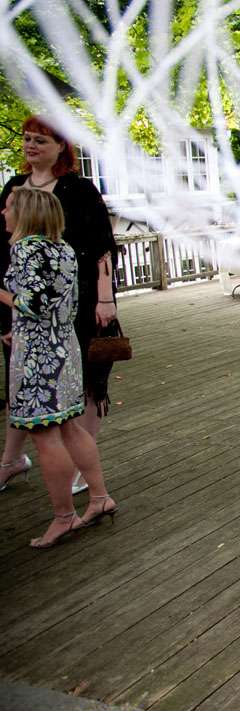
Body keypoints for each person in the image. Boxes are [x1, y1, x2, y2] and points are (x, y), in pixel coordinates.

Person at [0, 117, 118, 495]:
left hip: (76, 299)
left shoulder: (79, 189)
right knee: (21, 381)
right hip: (22, 303)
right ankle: (11, 461)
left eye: (40, 140)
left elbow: (102, 246)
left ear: (60, 147)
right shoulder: (13, 187)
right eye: (27, 139)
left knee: (85, 380)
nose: (30, 145)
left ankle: (84, 466)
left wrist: (105, 298)